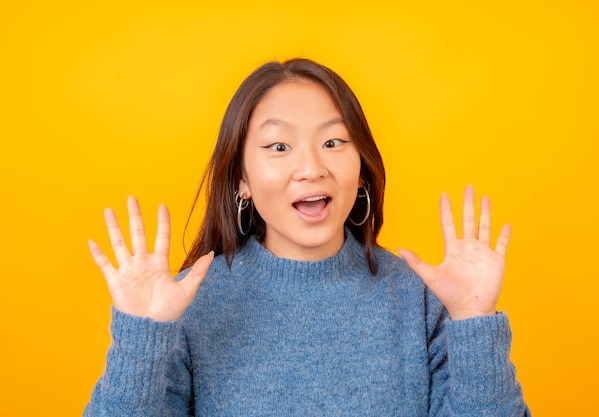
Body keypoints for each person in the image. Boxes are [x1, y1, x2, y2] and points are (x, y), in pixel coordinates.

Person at [84, 58, 531, 416]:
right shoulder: (192, 302)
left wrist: (473, 322)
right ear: (241, 178)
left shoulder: (418, 298)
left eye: (334, 142)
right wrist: (141, 343)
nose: (312, 167)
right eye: (279, 147)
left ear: (361, 171)